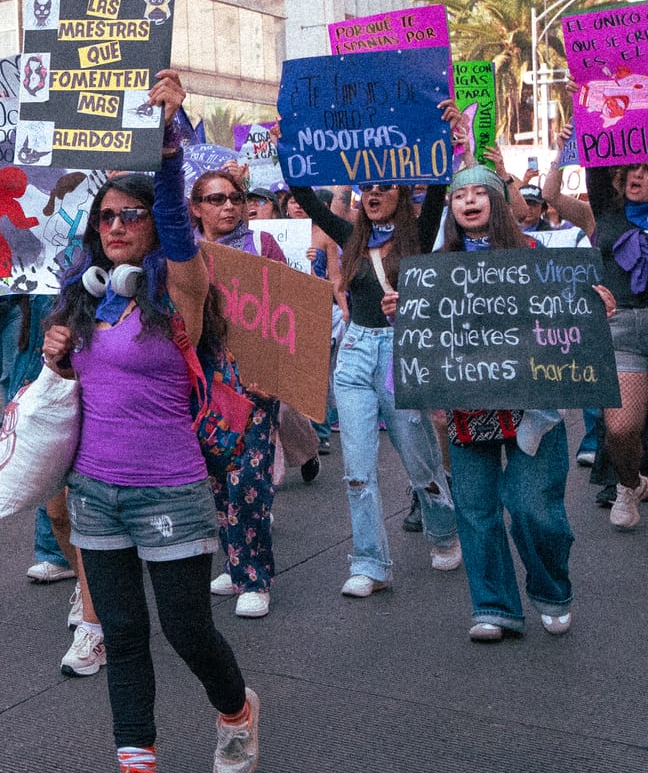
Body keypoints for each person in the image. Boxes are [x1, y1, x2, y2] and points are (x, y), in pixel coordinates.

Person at [40, 69, 259, 773]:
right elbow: (67, 384)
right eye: (106, 215)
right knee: (123, 639)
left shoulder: (184, 285)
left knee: (187, 631)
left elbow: (172, 208)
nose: (118, 225)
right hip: (96, 491)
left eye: (131, 215)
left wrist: (169, 142)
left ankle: (235, 710)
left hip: (169, 488)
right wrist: (59, 350)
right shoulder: (87, 293)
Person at [290, 129, 461, 596]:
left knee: (420, 461)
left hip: (402, 353)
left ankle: (444, 531)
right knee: (357, 469)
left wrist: (445, 132)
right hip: (355, 354)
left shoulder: (420, 232)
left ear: (403, 193)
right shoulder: (349, 235)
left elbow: (442, 183)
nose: (374, 194)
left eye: (384, 186)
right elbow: (305, 196)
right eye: (368, 187)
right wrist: (291, 147)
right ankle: (369, 562)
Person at [428, 167, 596, 641]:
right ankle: (493, 607)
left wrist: (593, 303)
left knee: (532, 508)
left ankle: (552, 588)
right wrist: (404, 309)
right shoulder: (437, 266)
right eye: (459, 195)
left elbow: (569, 315)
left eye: (480, 192)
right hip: (469, 407)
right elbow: (428, 335)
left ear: (499, 203)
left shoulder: (536, 255)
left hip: (533, 406)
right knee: (476, 511)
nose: (469, 201)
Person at [546, 150, 648, 552]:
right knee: (620, 428)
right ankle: (631, 484)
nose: (637, 175)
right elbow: (599, 158)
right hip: (620, 330)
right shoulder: (605, 212)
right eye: (631, 168)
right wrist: (586, 99)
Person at [189, 169, 290, 618]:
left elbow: (290, 311)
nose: (228, 206)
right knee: (216, 481)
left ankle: (256, 578)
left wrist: (275, 374)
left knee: (249, 481)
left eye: (236, 197)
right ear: (195, 207)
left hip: (252, 385)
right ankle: (235, 562)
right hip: (200, 381)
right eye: (216, 199)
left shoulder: (263, 247)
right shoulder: (182, 253)